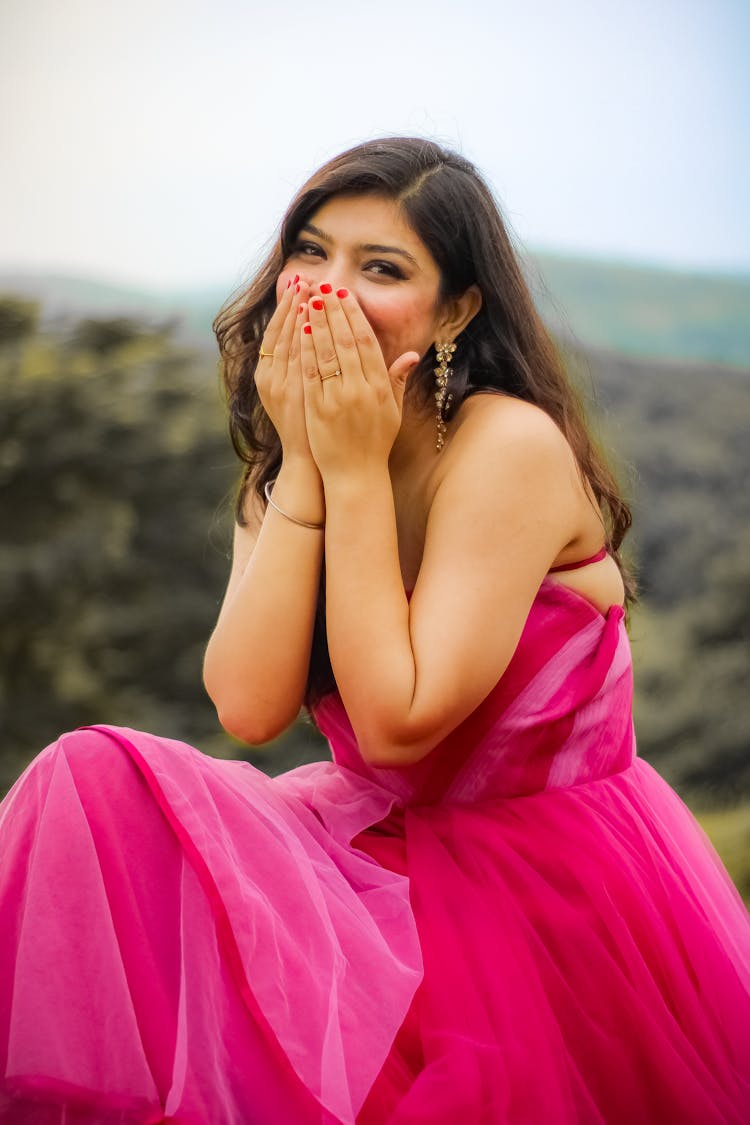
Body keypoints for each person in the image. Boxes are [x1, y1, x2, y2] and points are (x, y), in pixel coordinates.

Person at [0, 137, 748, 1124]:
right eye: (311, 253)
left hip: (550, 892)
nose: (328, 291)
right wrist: (307, 467)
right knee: (85, 778)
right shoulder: (290, 456)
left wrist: (351, 469)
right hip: (372, 854)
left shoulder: (505, 447)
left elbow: (399, 724)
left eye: (381, 268)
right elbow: (250, 704)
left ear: (457, 310)